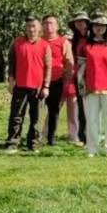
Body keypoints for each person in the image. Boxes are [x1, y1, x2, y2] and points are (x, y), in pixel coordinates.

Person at [5, 15, 51, 152]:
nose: (31, 29)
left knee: (36, 118)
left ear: (39, 29)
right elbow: (11, 62)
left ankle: (33, 144)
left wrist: (46, 86)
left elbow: (48, 67)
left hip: (37, 88)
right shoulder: (17, 43)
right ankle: (12, 143)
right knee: (16, 116)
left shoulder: (45, 45)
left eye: (34, 26)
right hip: (20, 85)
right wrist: (11, 79)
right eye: (28, 26)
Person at [80, 13, 107, 157]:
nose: (99, 28)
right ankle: (92, 149)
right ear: (92, 27)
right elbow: (80, 69)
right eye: (96, 26)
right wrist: (82, 85)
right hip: (91, 87)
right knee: (91, 120)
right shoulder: (85, 46)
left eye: (102, 26)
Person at [41, 14, 70, 147]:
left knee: (54, 112)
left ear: (57, 26)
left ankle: (51, 139)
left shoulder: (63, 42)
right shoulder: (38, 41)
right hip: (38, 82)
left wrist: (67, 83)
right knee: (37, 112)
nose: (48, 26)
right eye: (46, 23)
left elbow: (69, 64)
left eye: (51, 23)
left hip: (57, 81)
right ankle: (36, 137)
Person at [65, 11, 90, 146]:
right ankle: (82, 135)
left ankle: (93, 133)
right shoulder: (74, 39)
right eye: (77, 22)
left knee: (92, 105)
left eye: (82, 21)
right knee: (81, 104)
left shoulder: (93, 37)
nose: (80, 24)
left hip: (92, 73)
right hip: (79, 74)